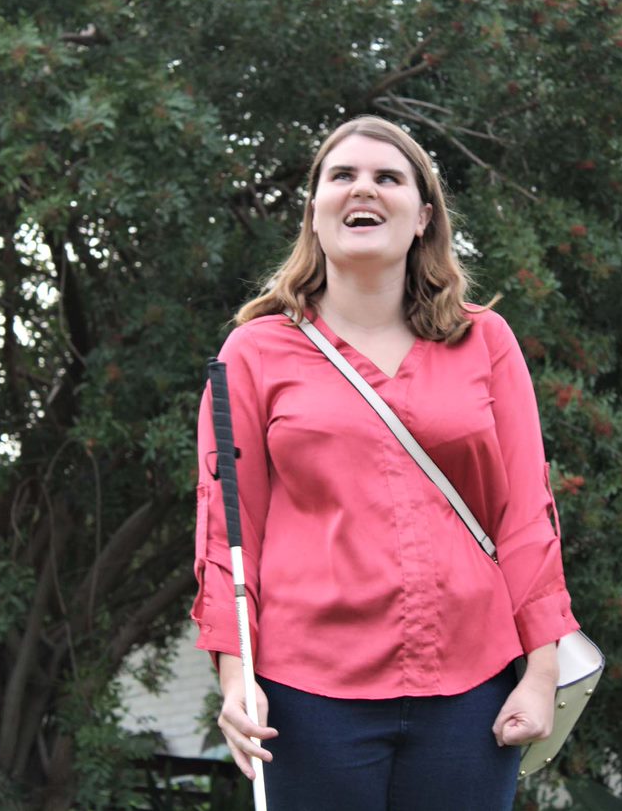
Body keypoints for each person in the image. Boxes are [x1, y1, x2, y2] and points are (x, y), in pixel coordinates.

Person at [192, 115, 580, 810]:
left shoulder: (485, 341)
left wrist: (542, 669)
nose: (361, 188)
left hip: (473, 693)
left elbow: (525, 513)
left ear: (423, 215)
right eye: (340, 176)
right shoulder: (251, 354)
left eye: (387, 177)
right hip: (306, 697)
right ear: (313, 211)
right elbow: (227, 533)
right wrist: (233, 675)